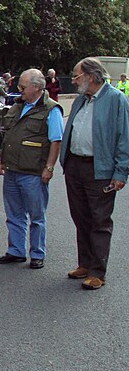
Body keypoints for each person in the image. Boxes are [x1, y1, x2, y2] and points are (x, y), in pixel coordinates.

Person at [59, 57, 129, 290]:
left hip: (100, 169)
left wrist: (120, 172)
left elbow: (124, 138)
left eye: (77, 75)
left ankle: (98, 272)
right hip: (75, 166)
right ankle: (85, 264)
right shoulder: (81, 99)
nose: (74, 80)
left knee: (99, 220)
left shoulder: (116, 99)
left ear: (91, 75)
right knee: (81, 217)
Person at [0, 68, 64, 269]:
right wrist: (2, 160)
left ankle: (37, 254)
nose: (20, 90)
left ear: (36, 87)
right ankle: (16, 251)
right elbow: (8, 136)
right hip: (12, 170)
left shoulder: (51, 110)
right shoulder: (17, 106)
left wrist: (49, 168)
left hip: (33, 172)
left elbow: (56, 141)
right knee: (14, 214)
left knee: (36, 216)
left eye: (23, 87)